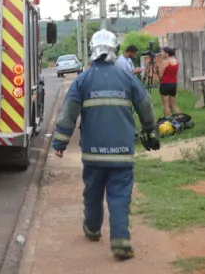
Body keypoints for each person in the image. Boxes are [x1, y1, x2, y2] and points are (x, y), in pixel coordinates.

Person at [50, 29, 158, 260]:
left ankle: (92, 229)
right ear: (114, 50)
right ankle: (120, 239)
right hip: (122, 151)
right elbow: (145, 105)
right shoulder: (127, 77)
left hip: (93, 152)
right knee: (120, 196)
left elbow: (69, 113)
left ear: (92, 50)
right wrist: (150, 131)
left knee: (93, 192)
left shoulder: (82, 79)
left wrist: (60, 141)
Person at [158, 46, 181, 118]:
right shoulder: (176, 61)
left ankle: (168, 121)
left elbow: (160, 76)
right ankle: (181, 119)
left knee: (166, 104)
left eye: (163, 52)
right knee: (174, 105)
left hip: (165, 84)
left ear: (167, 53)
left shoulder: (165, 62)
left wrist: (158, 72)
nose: (162, 53)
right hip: (173, 84)